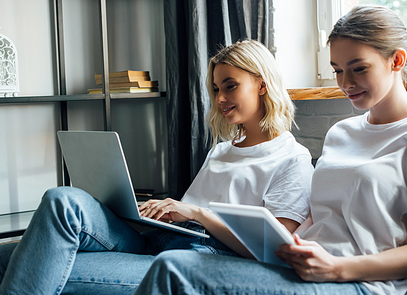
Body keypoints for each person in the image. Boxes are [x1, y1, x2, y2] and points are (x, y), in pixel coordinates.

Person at [134, 5, 407, 295]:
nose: (345, 82)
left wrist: (336, 268)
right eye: (336, 69)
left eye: (358, 68)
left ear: (397, 60)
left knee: (174, 270)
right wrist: (284, 246)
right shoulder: (340, 133)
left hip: (358, 282)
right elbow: (320, 219)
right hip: (300, 267)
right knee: (174, 261)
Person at [0, 40, 313, 295]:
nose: (220, 98)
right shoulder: (221, 151)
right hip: (159, 239)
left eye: (230, 86)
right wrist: (159, 211)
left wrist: (198, 214)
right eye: (216, 89)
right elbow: (185, 213)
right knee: (62, 199)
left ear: (262, 85)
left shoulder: (292, 159)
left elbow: (271, 249)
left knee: (25, 261)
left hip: (199, 258)